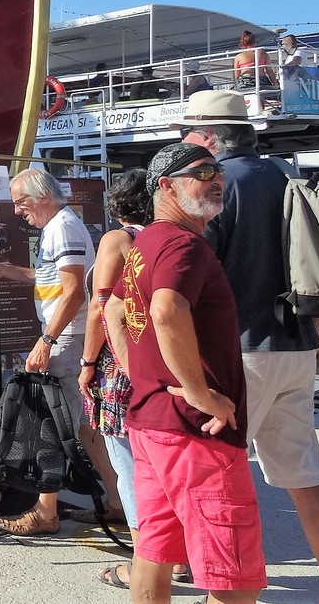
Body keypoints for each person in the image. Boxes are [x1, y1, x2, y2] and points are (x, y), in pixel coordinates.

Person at [178, 91, 319, 604]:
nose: (184, 144)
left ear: (208, 138)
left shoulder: (217, 184)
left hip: (239, 351)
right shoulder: (285, 174)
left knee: (216, 479)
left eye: (187, 134)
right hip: (296, 345)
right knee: (306, 478)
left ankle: (222, 592)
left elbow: (192, 275)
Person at [105, 143, 265, 603]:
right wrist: (200, 393)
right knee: (233, 573)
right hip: (196, 432)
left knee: (154, 551)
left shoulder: (146, 242)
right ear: (167, 186)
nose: (217, 180)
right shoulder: (184, 244)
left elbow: (114, 309)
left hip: (152, 423)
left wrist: (144, 375)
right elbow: (166, 310)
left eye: (219, 171)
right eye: (202, 173)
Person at [0, 168, 123, 536]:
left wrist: (46, 340)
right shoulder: (61, 226)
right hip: (71, 335)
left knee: (54, 425)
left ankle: (46, 513)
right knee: (83, 428)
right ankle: (120, 501)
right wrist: (4, 270)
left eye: (20, 202)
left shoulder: (62, 228)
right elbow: (52, 279)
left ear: (42, 197)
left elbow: (74, 292)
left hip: (66, 337)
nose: (17, 211)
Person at [79, 171, 193, 590]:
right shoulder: (173, 238)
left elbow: (101, 308)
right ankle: (179, 557)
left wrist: (88, 362)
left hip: (122, 365)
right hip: (169, 362)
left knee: (129, 466)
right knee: (168, 466)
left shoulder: (118, 240)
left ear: (117, 205)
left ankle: (146, 563)